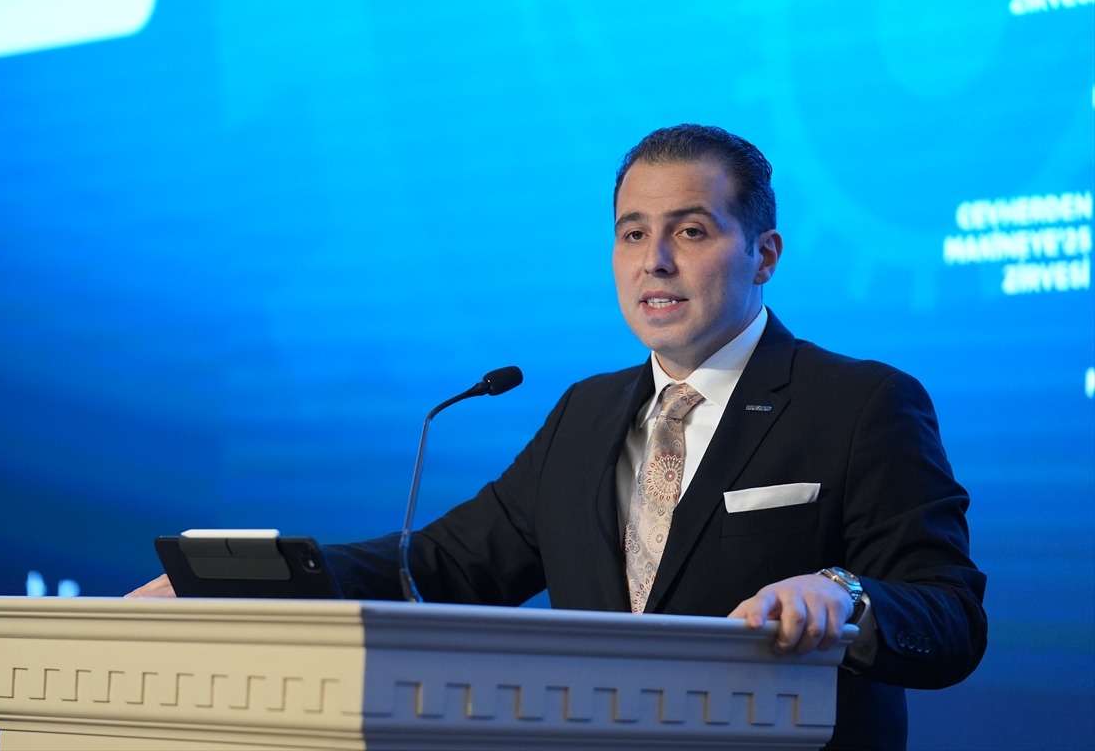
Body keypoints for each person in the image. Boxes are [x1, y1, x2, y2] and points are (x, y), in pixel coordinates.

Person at [129, 124, 987, 750]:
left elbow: (950, 616)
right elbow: (440, 567)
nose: (654, 261)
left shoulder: (860, 403)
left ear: (764, 254)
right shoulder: (587, 413)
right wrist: (233, 583)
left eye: (690, 231)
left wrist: (844, 594)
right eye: (633, 233)